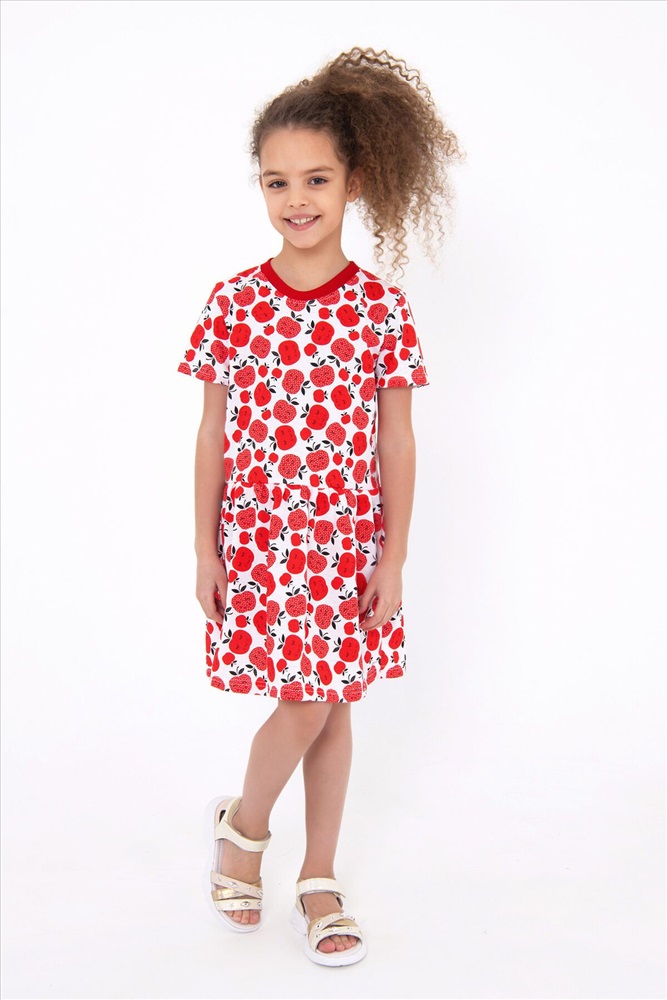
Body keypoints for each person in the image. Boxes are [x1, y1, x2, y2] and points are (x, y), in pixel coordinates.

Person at [176, 47, 462, 967]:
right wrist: (204, 549)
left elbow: (396, 441)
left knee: (333, 704)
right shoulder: (232, 303)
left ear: (354, 182)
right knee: (305, 703)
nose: (295, 199)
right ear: (259, 187)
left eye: (316, 179)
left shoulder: (381, 309)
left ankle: (317, 874)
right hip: (261, 541)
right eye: (276, 182)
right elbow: (213, 433)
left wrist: (394, 556)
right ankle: (246, 830)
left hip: (346, 544)